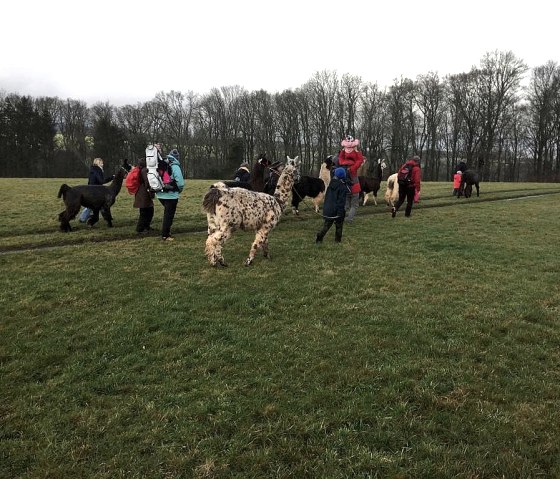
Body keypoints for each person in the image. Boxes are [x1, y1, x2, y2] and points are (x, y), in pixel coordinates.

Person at [155, 148, 185, 241]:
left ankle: (167, 232)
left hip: (160, 194)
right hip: (171, 195)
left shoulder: (163, 164)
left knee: (167, 213)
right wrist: (178, 190)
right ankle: (165, 235)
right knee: (169, 215)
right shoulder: (175, 166)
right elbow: (180, 183)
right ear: (177, 158)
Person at [315, 167, 350, 243]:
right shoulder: (342, 187)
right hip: (337, 210)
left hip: (328, 208)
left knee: (327, 225)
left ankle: (319, 237)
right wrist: (340, 212)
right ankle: (337, 241)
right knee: (339, 225)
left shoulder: (331, 184)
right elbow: (341, 201)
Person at [338, 135, 364, 223]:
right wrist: (357, 151)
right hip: (354, 186)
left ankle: (341, 218)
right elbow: (360, 160)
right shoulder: (353, 168)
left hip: (345, 186)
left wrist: (342, 151)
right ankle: (349, 219)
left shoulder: (343, 168)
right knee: (354, 205)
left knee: (346, 204)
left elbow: (340, 159)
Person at [79, 158, 114, 223]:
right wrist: (111, 177)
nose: (102, 164)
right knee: (94, 205)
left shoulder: (93, 169)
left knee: (92, 205)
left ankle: (83, 218)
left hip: (91, 189)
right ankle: (83, 218)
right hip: (95, 191)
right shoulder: (98, 170)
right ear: (98, 163)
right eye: (101, 163)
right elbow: (101, 181)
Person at [133, 158, 154, 235]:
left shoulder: (140, 169)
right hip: (144, 194)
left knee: (147, 210)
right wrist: (151, 189)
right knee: (145, 212)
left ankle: (145, 226)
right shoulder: (145, 170)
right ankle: (140, 228)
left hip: (141, 193)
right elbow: (147, 182)